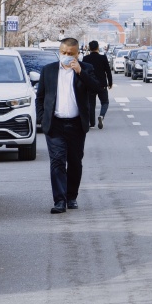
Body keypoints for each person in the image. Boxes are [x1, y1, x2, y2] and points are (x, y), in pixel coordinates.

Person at [36, 38, 105, 214]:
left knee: (75, 162)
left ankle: (71, 196)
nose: (66, 56)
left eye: (71, 54)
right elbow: (41, 97)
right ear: (60, 52)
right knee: (57, 161)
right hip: (55, 124)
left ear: (77, 54)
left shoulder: (86, 69)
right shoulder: (49, 70)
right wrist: (43, 120)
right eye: (64, 53)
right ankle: (59, 200)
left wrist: (80, 72)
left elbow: (97, 88)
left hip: (76, 124)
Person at [83, 40, 113, 130]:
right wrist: (110, 83)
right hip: (101, 84)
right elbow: (108, 71)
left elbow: (83, 73)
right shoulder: (103, 58)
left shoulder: (86, 59)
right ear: (97, 47)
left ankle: (92, 123)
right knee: (105, 102)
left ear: (89, 48)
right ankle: (101, 116)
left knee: (91, 104)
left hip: (90, 84)